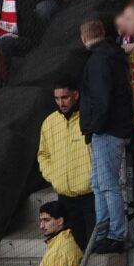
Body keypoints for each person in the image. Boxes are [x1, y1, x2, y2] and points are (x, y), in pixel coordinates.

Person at [79, 16, 133, 252]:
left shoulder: (98, 60)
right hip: (114, 128)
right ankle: (104, 232)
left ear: (84, 38)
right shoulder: (112, 55)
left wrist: (95, 127)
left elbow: (101, 99)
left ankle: (115, 234)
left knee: (108, 184)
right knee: (99, 183)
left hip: (107, 130)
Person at [39, 86, 95, 247]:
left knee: (93, 247)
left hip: (89, 193)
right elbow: (43, 154)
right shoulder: (49, 122)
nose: (61, 103)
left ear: (76, 95)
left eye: (65, 97)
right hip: (64, 195)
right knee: (73, 246)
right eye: (57, 98)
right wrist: (53, 176)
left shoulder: (87, 118)